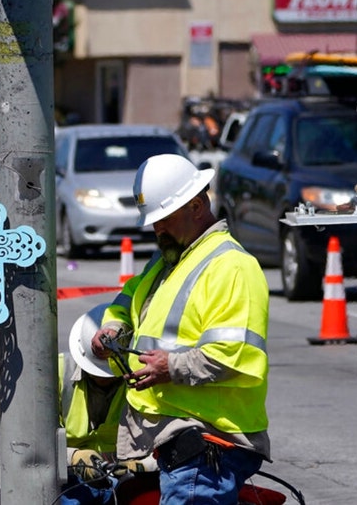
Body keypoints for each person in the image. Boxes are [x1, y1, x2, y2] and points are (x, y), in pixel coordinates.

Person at [90, 153, 270, 503]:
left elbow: (236, 355)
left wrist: (170, 367)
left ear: (198, 205)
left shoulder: (232, 266)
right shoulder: (168, 260)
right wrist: (113, 329)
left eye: (165, 218)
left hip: (208, 442)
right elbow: (126, 301)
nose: (157, 229)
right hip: (178, 443)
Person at [60, 303, 154, 505]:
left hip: (123, 481)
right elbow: (32, 444)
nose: (104, 379)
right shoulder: (57, 372)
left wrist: (139, 466)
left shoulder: (142, 378)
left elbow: (165, 440)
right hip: (67, 480)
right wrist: (73, 457)